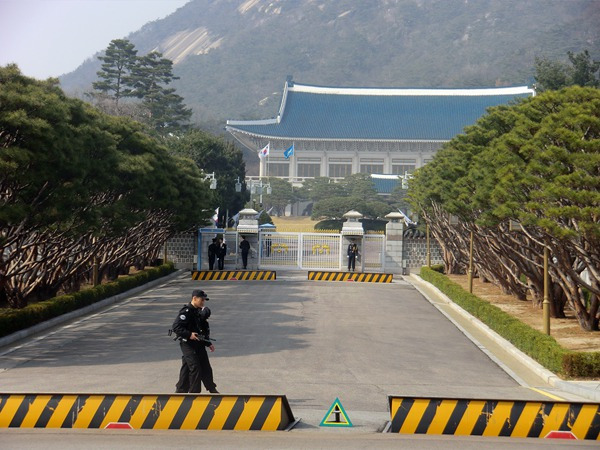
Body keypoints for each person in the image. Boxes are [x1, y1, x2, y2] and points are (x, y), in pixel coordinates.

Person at [172, 289, 218, 393]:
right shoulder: (186, 312)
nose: (203, 302)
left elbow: (202, 329)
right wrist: (189, 334)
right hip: (188, 344)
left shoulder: (198, 311)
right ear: (194, 298)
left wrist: (208, 343)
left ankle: (181, 391)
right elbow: (176, 327)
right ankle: (194, 393)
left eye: (204, 300)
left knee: (204, 367)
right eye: (202, 300)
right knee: (195, 367)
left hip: (199, 343)